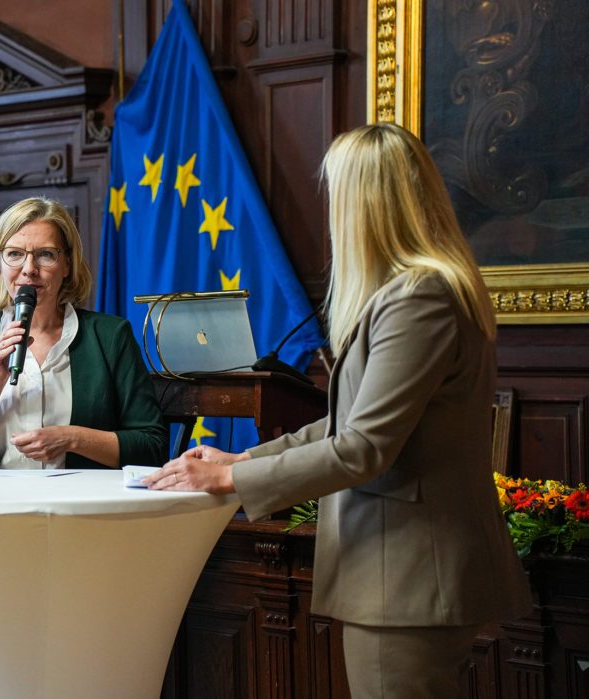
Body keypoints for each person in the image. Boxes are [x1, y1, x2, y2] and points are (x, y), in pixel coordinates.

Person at [145, 123, 532, 698]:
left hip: (408, 574)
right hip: (402, 570)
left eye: (337, 194)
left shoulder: (418, 297)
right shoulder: (411, 291)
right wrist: (243, 458)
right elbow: (347, 422)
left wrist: (230, 481)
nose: (332, 213)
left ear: (367, 202)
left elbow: (363, 448)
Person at [0, 196, 167, 470]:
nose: (29, 269)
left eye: (45, 254)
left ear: (67, 264)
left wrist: (71, 438)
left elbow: (152, 448)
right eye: (14, 254)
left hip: (82, 497)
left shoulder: (110, 336)